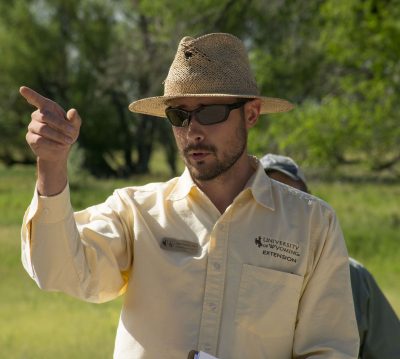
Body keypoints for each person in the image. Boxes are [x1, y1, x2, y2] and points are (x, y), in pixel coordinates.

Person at [19, 33, 359, 358]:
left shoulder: (311, 223)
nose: (192, 131)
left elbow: (329, 349)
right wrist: (51, 164)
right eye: (178, 115)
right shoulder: (136, 211)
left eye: (210, 112)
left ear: (251, 114)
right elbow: (59, 270)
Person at [261, 153, 400, 359]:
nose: (283, 212)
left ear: (312, 202)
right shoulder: (227, 266)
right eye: (269, 199)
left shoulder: (353, 276)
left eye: (293, 199)